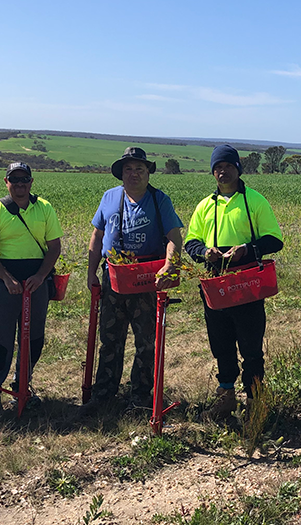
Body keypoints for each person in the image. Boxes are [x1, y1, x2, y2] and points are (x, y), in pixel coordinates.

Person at [185, 145, 283, 421]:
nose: (222, 171)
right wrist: (205, 252)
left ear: (238, 168)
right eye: (218, 167)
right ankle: (226, 397)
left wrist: (247, 249)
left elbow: (274, 240)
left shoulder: (254, 201)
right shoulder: (205, 206)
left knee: (251, 347)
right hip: (216, 286)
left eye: (228, 166)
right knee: (221, 344)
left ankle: (255, 403)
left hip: (248, 284)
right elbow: (191, 242)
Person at [84, 147, 183, 413]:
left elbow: (174, 238)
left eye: (139, 169)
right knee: (109, 339)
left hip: (146, 280)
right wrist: (91, 272)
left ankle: (139, 397)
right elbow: (96, 237)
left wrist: (169, 266)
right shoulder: (109, 197)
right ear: (121, 173)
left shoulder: (160, 200)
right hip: (113, 278)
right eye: (128, 169)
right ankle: (103, 395)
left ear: (148, 172)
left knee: (146, 342)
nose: (134, 174)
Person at [0, 162, 63, 420]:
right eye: (15, 180)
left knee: (33, 336)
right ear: (6, 182)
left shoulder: (44, 208)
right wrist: (6, 278)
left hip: (37, 281)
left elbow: (54, 246)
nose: (20, 184)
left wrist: (40, 276)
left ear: (32, 182)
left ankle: (23, 384)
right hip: (6, 284)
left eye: (25, 179)